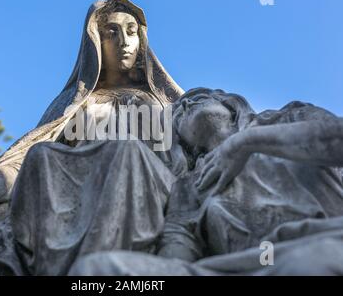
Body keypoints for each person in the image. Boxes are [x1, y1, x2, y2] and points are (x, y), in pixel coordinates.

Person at [0, 0, 186, 275]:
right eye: (111, 32)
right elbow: (29, 163)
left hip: (154, 191)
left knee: (124, 152)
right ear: (95, 41)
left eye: (131, 31)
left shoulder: (166, 104)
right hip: (80, 196)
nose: (124, 42)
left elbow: (201, 149)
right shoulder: (76, 104)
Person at [69, 88, 343, 275]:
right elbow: (177, 255)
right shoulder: (189, 185)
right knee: (96, 270)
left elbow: (337, 140)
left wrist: (243, 144)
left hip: (315, 240)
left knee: (306, 264)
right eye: (177, 114)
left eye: (198, 98)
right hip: (233, 267)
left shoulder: (287, 118)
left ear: (230, 103)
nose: (185, 104)